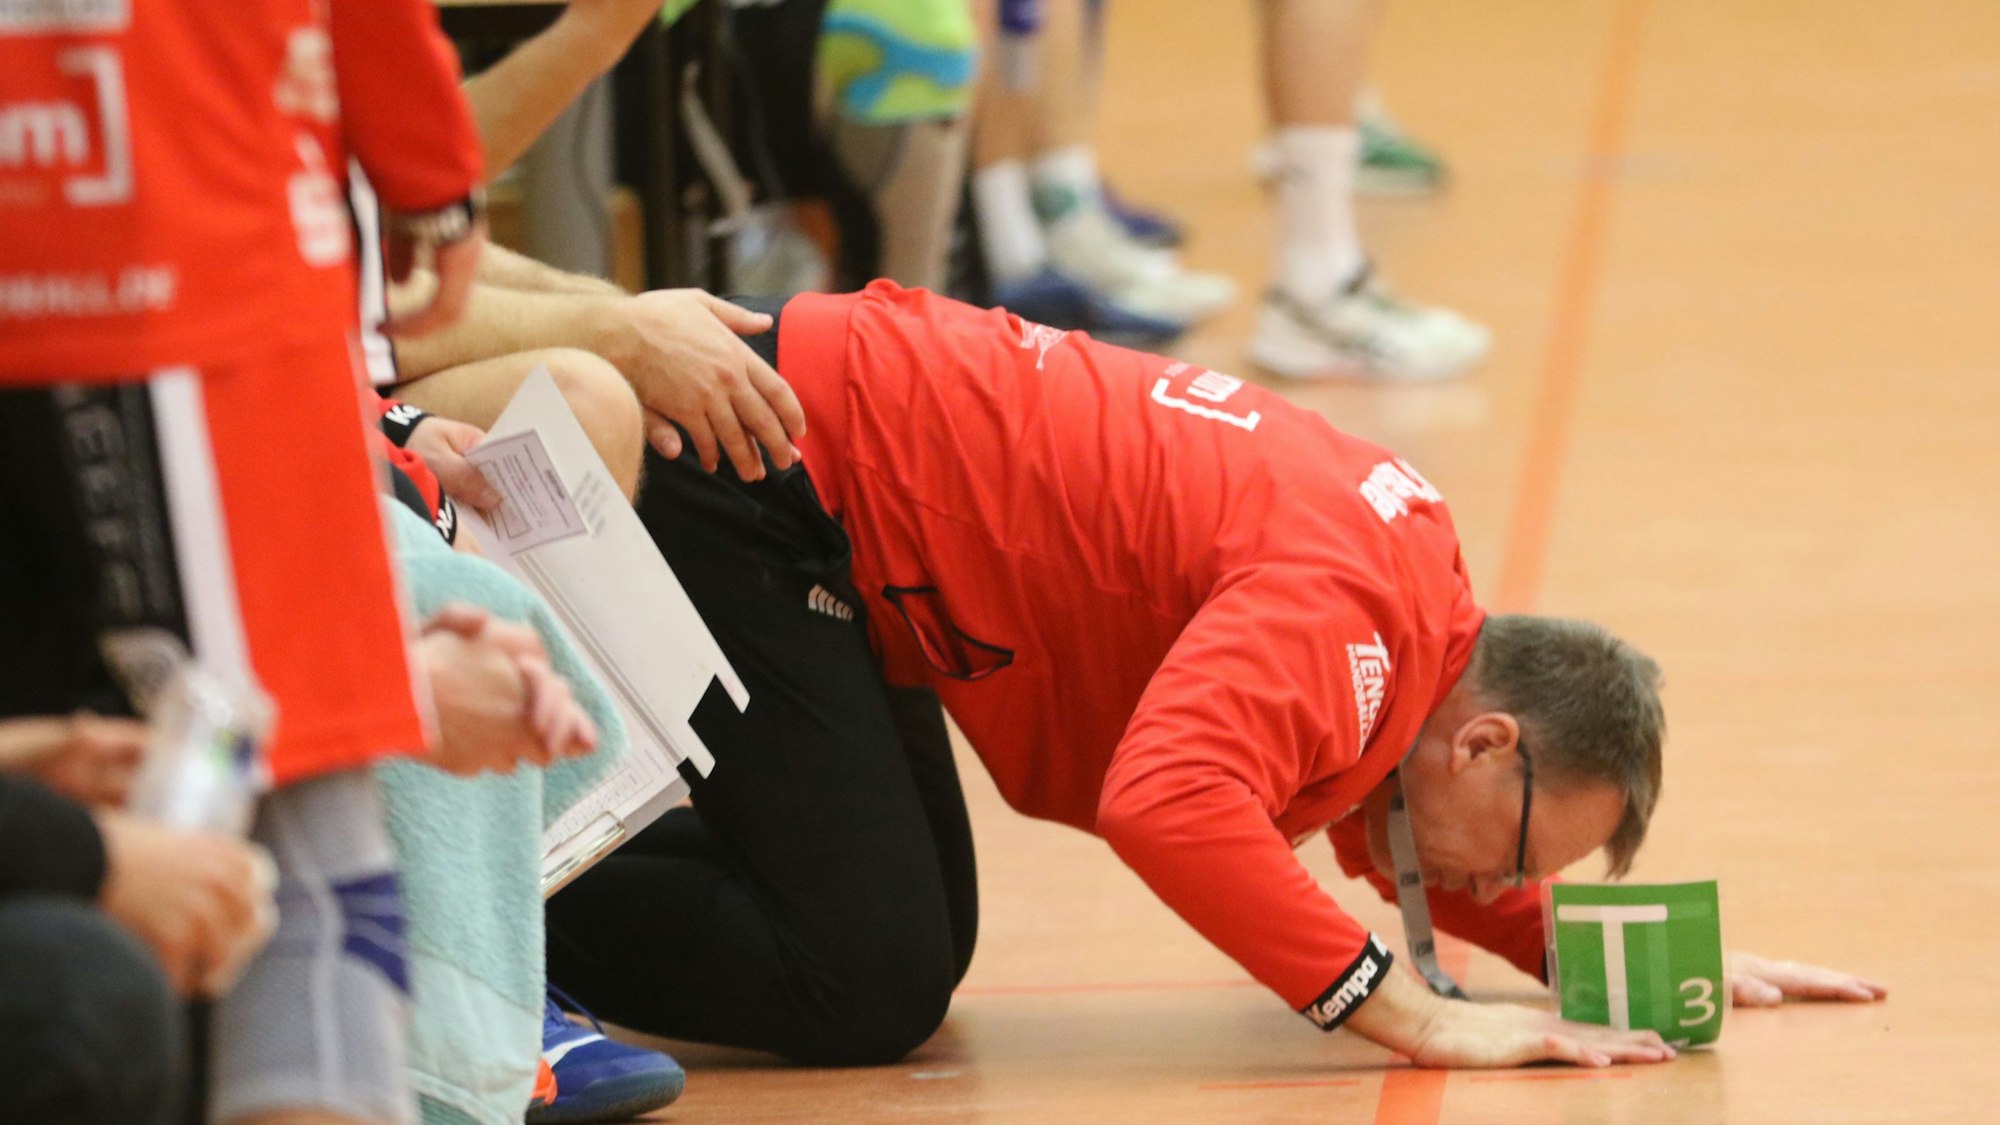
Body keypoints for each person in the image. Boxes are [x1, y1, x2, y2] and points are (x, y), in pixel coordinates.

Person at [543, 281, 1884, 1069]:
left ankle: (536, 864)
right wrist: (1402, 1008)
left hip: (856, 498)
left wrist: (1602, 964)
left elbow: (1381, 806)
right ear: (1482, 741)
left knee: (909, 950)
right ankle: (454, 916)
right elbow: (1171, 796)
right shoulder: (1354, 619)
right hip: (757, 458)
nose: (1495, 889)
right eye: (1522, 857)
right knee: (869, 976)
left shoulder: (1414, 600)